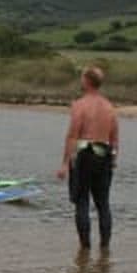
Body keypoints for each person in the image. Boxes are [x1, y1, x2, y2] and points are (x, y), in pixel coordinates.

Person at [57, 66, 118, 249]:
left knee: (82, 202)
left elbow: (72, 136)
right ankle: (104, 248)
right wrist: (114, 159)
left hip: (85, 156)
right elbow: (114, 138)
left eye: (82, 77)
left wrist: (64, 163)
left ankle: (85, 248)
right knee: (103, 204)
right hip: (104, 155)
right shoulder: (109, 107)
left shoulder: (80, 105)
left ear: (87, 81)